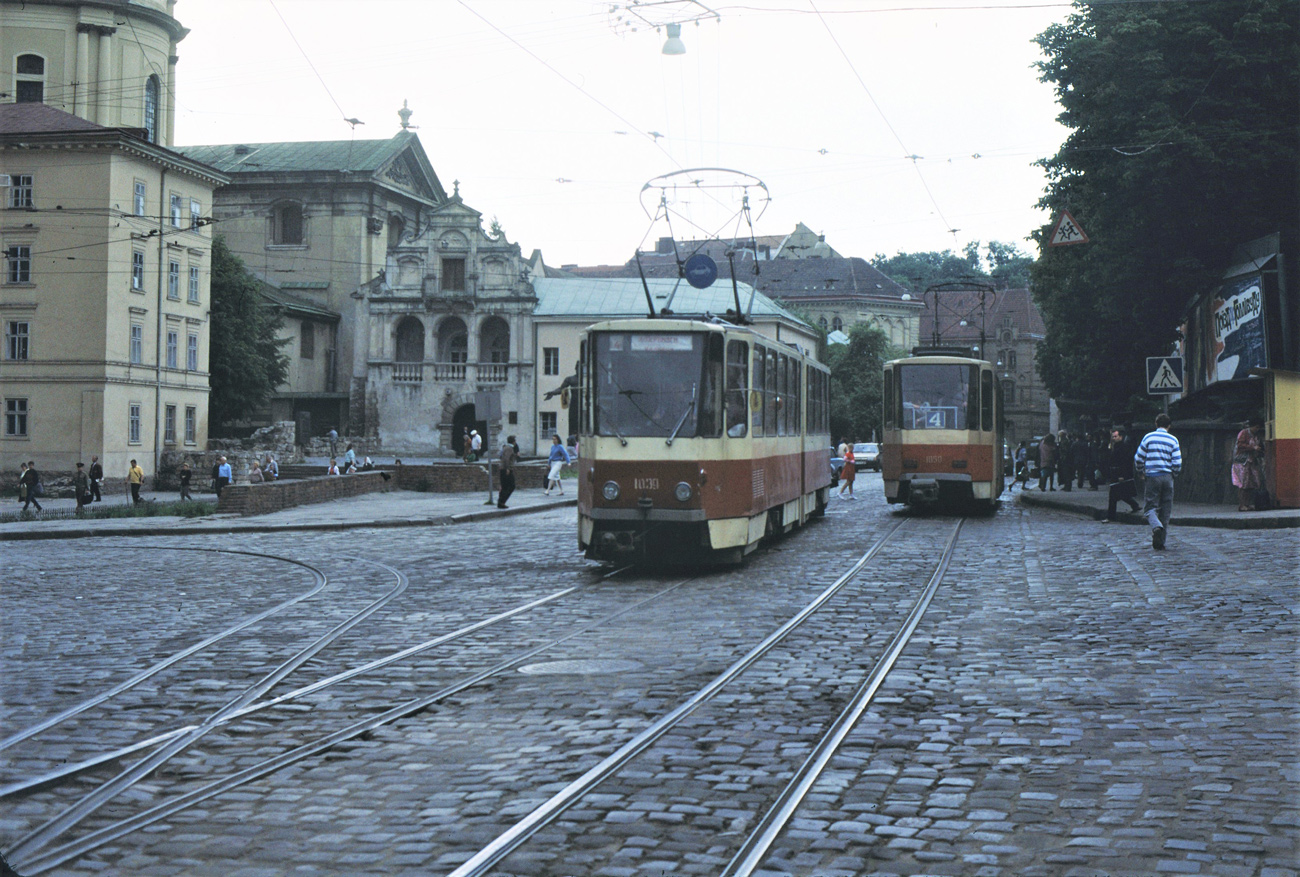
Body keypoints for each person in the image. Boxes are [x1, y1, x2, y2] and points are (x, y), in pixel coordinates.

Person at [1135, 413, 1182, 550]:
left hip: (1152, 477)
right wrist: (1174, 474)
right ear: (1169, 426)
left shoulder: (1148, 437)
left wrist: (1140, 471)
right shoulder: (1173, 440)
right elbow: (1177, 462)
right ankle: (1160, 541)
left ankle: (1156, 526)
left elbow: (1138, 458)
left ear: (1156, 424)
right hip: (1167, 477)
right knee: (1166, 510)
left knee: (1150, 508)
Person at [1101, 428, 1141, 522]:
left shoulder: (1123, 447)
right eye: (1113, 437)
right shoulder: (1115, 446)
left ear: (1121, 437)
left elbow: (1124, 462)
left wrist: (1122, 475)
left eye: (1116, 436)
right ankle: (1135, 505)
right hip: (1115, 473)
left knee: (1113, 496)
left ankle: (1111, 517)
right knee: (1122, 494)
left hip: (1120, 473)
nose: (1114, 438)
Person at [1231, 417, 1265, 511]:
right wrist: (1253, 447)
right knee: (1243, 484)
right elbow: (1240, 445)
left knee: (1252, 484)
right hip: (1242, 462)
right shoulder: (1244, 433)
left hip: (1252, 461)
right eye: (1256, 427)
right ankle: (1242, 504)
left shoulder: (1256, 436)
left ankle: (1248, 503)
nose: (1257, 429)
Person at [498, 434, 518, 509]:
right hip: (506, 469)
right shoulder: (509, 448)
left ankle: (500, 502)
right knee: (511, 486)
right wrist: (508, 468)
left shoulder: (505, 447)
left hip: (503, 468)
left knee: (504, 486)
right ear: (513, 441)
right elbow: (507, 458)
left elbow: (501, 456)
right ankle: (502, 501)